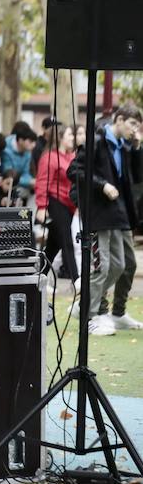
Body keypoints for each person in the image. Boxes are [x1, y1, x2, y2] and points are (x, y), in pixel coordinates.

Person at [69, 104, 141, 338]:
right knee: (103, 267)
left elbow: (136, 177)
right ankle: (89, 316)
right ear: (119, 120)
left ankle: (91, 308)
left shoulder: (124, 146)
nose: (135, 130)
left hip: (117, 214)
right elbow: (75, 170)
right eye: (132, 124)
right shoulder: (98, 140)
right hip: (99, 214)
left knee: (119, 265)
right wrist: (103, 184)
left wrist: (137, 148)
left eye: (138, 126)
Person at [35, 123, 78, 283]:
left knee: (53, 246)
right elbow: (42, 182)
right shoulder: (49, 157)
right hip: (54, 202)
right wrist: (42, 206)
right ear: (60, 138)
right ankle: (77, 281)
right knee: (66, 241)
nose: (73, 138)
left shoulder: (71, 156)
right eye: (69, 135)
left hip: (68, 205)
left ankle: (37, 277)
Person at [2, 121, 37, 207]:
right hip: (7, 184)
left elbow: (26, 172)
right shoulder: (6, 150)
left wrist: (32, 181)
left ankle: (30, 219)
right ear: (21, 140)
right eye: (31, 141)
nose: (34, 145)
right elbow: (8, 175)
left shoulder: (27, 151)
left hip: (20, 184)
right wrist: (29, 181)